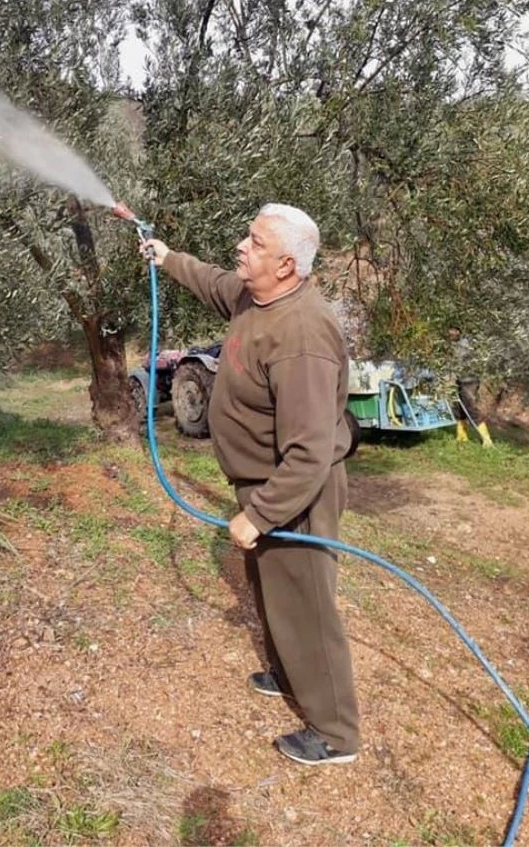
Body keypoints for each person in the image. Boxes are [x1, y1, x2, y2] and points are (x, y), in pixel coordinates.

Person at [141, 204, 359, 765]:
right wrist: (167, 259)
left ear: (286, 265)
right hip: (263, 483)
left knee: (307, 603)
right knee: (274, 592)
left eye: (255, 243)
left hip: (293, 491)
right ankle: (290, 674)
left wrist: (261, 513)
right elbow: (213, 281)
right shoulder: (253, 298)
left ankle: (335, 732)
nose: (242, 246)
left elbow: (310, 453)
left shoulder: (302, 333)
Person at [448, 328, 493, 447]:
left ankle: (486, 439)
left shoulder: (465, 344)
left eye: (453, 331)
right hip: (461, 380)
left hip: (469, 381)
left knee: (470, 408)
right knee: (458, 408)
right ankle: (461, 436)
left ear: (459, 331)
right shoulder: (456, 343)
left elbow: (456, 361)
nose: (450, 333)